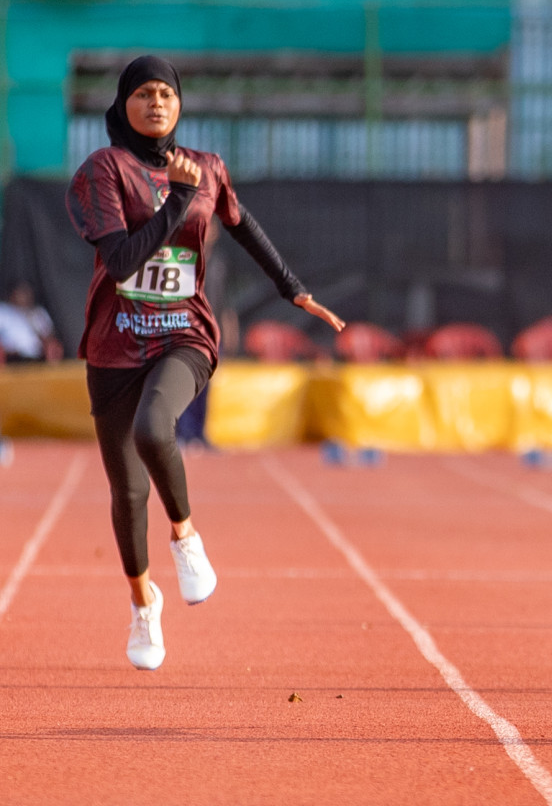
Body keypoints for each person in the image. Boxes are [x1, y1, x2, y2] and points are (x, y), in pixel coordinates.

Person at [66, 55, 345, 670]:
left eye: (167, 93)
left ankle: (186, 536)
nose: (157, 103)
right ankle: (144, 603)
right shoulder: (104, 171)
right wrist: (177, 201)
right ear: (123, 105)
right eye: (143, 94)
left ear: (181, 103)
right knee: (127, 490)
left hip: (183, 335)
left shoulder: (207, 168)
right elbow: (122, 263)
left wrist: (293, 288)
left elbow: (244, 227)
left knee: (152, 429)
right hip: (115, 343)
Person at [0, 282, 62, 362]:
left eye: (26, 292)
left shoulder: (38, 313)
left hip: (36, 358)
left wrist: (50, 345)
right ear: (12, 294)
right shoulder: (3, 311)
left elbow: (49, 336)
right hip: (11, 359)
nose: (25, 295)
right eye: (21, 292)